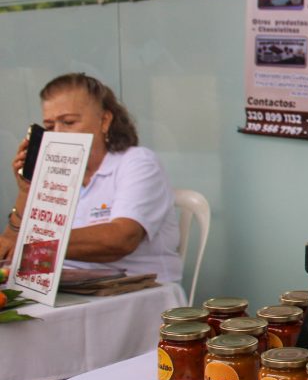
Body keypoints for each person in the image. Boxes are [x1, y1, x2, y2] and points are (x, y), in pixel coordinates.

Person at [1, 73, 182, 284]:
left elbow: (120, 240)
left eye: (68, 122)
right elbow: (11, 249)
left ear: (104, 121)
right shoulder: (57, 173)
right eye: (50, 127)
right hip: (66, 286)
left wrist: (36, 244)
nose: (58, 134)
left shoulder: (137, 162)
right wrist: (26, 192)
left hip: (132, 289)